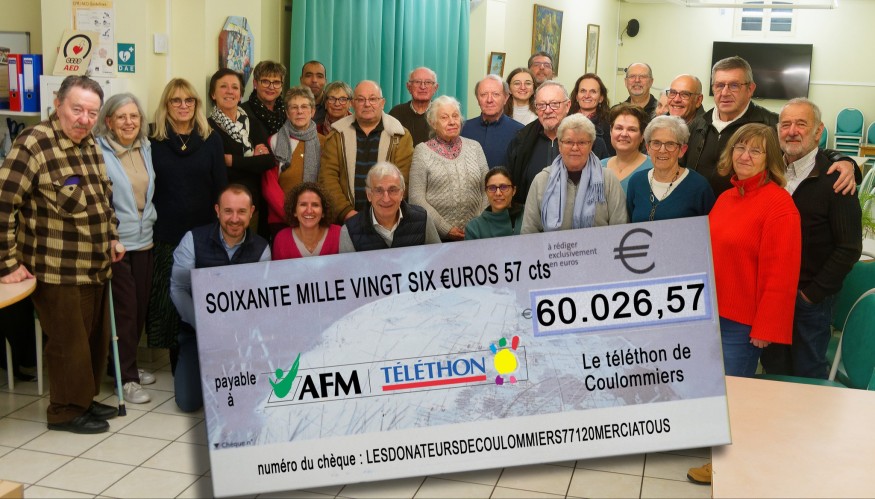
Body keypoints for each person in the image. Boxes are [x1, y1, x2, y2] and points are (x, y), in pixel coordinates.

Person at [0, 75, 124, 434]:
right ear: (58, 104)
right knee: (69, 344)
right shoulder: (34, 143)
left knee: (93, 341)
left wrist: (113, 237)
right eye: (77, 109)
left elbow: (103, 199)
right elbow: (4, 203)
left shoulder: (90, 143)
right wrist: (6, 264)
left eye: (92, 113)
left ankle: (83, 399)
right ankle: (65, 411)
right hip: (56, 268)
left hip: (95, 264)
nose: (84, 119)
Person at [688, 122, 802, 486]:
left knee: (735, 396)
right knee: (715, 390)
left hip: (743, 323)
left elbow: (781, 274)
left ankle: (728, 466)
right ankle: (716, 451)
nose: (745, 156)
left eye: (756, 150)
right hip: (712, 314)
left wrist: (765, 328)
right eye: (740, 148)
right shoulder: (726, 198)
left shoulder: (779, 205)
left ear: (770, 159)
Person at [760, 98, 863, 379]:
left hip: (809, 300)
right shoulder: (768, 174)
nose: (792, 131)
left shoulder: (836, 180)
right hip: (772, 296)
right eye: (786, 124)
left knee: (807, 374)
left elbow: (849, 248)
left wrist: (811, 295)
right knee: (773, 371)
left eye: (801, 124)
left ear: (818, 131)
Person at [686, 56, 857, 196]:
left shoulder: (770, 125)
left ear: (750, 89)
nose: (724, 92)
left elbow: (809, 151)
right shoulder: (697, 124)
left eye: (734, 85)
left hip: (745, 218)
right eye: (719, 85)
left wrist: (844, 160)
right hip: (698, 216)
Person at [147, 78, 227, 372]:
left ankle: (207, 359)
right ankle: (178, 362)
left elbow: (221, 186)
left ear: (197, 104)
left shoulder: (211, 139)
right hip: (166, 233)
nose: (183, 106)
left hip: (203, 233)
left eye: (189, 100)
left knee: (204, 299)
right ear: (166, 105)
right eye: (176, 100)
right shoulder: (152, 140)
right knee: (170, 302)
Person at [170, 185, 270, 412]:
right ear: (217, 210)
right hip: (198, 334)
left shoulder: (262, 249)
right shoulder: (192, 240)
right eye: (228, 211)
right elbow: (178, 288)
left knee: (248, 400)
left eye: (241, 211)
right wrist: (205, 327)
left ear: (251, 212)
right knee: (188, 402)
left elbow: (260, 300)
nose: (234, 219)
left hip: (242, 339)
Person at [94, 93, 157, 404]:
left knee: (140, 307)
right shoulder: (98, 151)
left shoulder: (145, 146)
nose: (129, 122)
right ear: (109, 121)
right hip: (116, 243)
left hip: (145, 240)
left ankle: (122, 364)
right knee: (125, 312)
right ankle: (127, 378)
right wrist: (109, 236)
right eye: (121, 117)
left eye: (134, 116)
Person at [319, 80, 414, 224]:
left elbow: (403, 180)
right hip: (345, 221)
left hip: (387, 220)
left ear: (382, 103)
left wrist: (382, 213)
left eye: (373, 99)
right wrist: (347, 213)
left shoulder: (400, 136)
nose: (367, 104)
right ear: (352, 103)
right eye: (361, 99)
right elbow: (327, 178)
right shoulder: (337, 135)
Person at [521, 114, 628, 234]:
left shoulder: (608, 179)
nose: (575, 148)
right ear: (559, 145)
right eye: (568, 142)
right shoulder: (542, 180)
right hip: (552, 246)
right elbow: (529, 231)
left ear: (591, 145)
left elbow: (620, 228)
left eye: (582, 142)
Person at [410, 96, 488, 241]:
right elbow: (416, 198)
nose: (452, 121)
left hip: (476, 234)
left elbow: (487, 188)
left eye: (455, 116)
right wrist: (445, 229)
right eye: (444, 117)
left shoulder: (475, 147)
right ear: (433, 123)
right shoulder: (422, 151)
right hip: (437, 238)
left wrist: (479, 224)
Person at [207, 68, 274, 239]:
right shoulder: (207, 128)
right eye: (223, 86)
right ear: (213, 94)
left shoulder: (252, 123)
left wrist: (232, 161)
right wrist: (252, 162)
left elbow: (268, 161)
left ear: (240, 94)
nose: (230, 91)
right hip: (225, 209)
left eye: (235, 87)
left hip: (254, 206)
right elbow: (218, 170)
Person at [262, 86, 326, 237]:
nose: (299, 111)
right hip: (282, 219)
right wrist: (291, 214)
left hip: (316, 218)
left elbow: (329, 182)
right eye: (294, 107)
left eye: (304, 106)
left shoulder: (325, 142)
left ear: (313, 111)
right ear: (287, 112)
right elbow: (269, 185)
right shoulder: (274, 141)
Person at [626, 115, 715, 222]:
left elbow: (709, 228)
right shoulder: (636, 181)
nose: (662, 150)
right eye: (656, 143)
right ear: (648, 148)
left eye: (670, 144)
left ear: (682, 150)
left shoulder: (699, 187)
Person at [339, 162, 440, 252]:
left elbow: (438, 259)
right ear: (369, 195)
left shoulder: (423, 219)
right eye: (378, 190)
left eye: (393, 190)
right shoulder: (349, 231)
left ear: (402, 193)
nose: (386, 199)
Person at [506, 81, 572, 206]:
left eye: (554, 104)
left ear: (567, 106)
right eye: (541, 105)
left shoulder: (585, 139)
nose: (547, 110)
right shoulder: (521, 140)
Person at [461, 75, 523, 168]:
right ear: (477, 99)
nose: (489, 100)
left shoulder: (520, 132)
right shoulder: (463, 129)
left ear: (506, 98)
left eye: (495, 94)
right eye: (483, 95)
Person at [272, 182, 341, 259]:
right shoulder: (281, 239)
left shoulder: (339, 234)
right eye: (303, 204)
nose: (309, 211)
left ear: (323, 212)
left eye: (315, 205)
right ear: (294, 211)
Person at [600, 103, 652, 192]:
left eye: (632, 129)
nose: (624, 134)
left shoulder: (653, 168)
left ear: (642, 135)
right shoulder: (599, 166)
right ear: (611, 131)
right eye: (619, 128)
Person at [465, 167, 524, 240]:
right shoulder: (474, 228)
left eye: (504, 187)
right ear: (486, 192)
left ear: (514, 191)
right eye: (492, 188)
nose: (498, 193)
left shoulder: (527, 216)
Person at [389, 67, 438, 146]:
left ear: (435, 88)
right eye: (417, 82)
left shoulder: (442, 114)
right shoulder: (396, 113)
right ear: (409, 87)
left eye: (428, 82)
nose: (422, 87)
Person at [568, 73, 612, 158]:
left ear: (601, 98)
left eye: (593, 91)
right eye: (583, 91)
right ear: (577, 96)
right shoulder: (565, 121)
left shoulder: (609, 125)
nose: (587, 96)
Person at [243, 60, 287, 136]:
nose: (271, 87)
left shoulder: (289, 109)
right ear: (255, 83)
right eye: (265, 81)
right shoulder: (242, 113)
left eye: (276, 82)